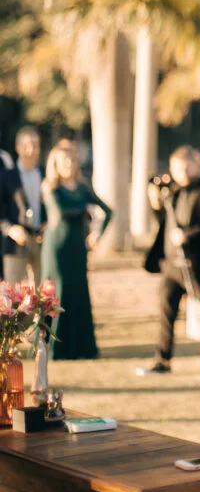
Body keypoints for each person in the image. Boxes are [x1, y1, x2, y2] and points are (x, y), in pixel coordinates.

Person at [139, 145, 200, 375]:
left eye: (182, 168)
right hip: (172, 266)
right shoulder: (174, 194)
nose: (178, 173)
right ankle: (163, 359)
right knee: (166, 310)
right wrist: (155, 204)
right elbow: (164, 223)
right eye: (175, 169)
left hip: (198, 265)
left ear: (195, 164)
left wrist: (189, 235)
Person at [41, 139, 112, 360]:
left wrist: (96, 233)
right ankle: (55, 347)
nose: (69, 164)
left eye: (72, 159)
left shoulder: (83, 187)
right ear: (55, 163)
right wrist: (85, 211)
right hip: (57, 247)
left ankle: (81, 348)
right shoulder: (50, 187)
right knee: (57, 293)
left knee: (78, 293)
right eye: (64, 160)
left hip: (77, 247)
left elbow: (108, 211)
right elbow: (61, 212)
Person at [0, 126, 46, 287]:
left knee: (44, 297)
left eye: (36, 145)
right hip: (15, 244)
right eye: (27, 145)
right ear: (18, 147)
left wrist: (48, 224)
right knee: (12, 298)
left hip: (43, 241)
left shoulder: (46, 174)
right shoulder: (6, 177)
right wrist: (10, 229)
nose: (32, 150)